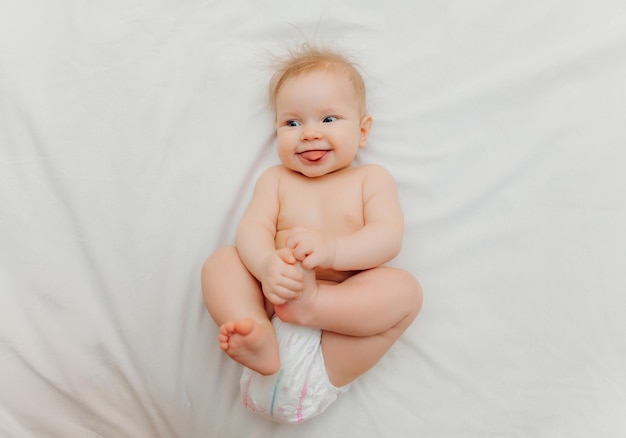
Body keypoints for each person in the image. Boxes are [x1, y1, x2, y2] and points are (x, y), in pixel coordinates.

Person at [201, 44, 422, 423]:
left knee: (405, 291)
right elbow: (252, 229)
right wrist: (267, 264)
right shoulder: (276, 180)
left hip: (333, 343)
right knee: (221, 261)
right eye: (292, 123)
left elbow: (388, 237)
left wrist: (334, 251)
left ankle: (313, 305)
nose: (308, 134)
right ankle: (254, 331)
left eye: (329, 119)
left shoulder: (370, 179)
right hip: (274, 315)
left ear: (363, 129)